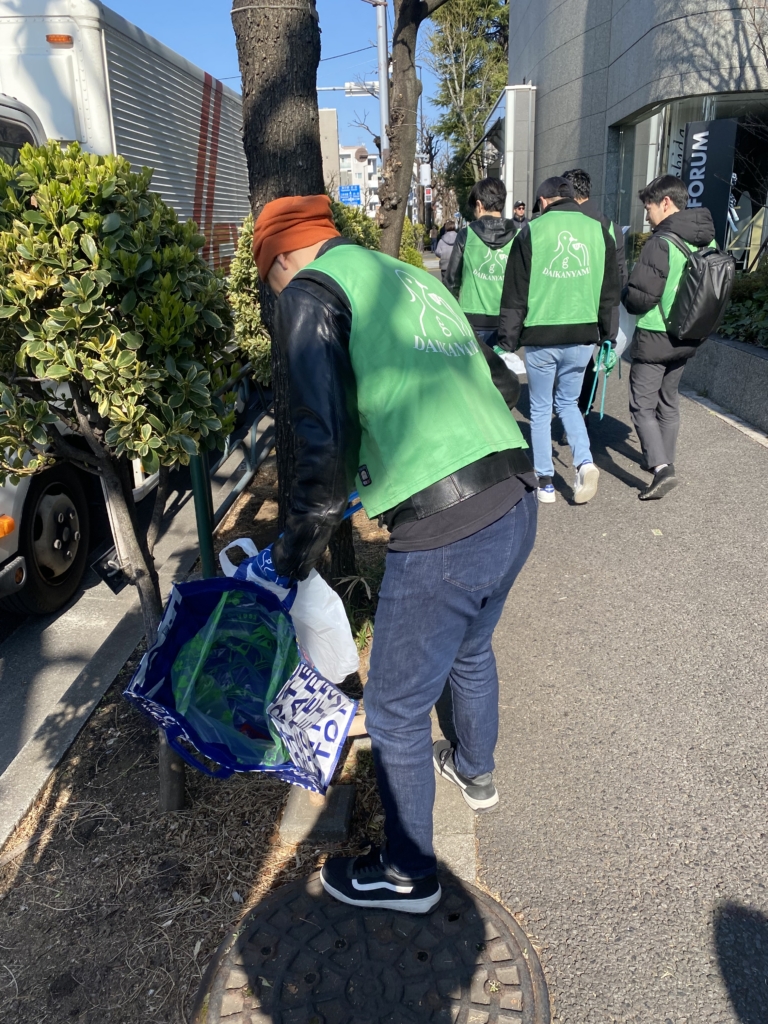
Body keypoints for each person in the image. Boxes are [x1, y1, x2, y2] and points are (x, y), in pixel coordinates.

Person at [251, 194, 538, 914]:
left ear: (280, 261)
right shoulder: (406, 276)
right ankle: (475, 771)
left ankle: (408, 874)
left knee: (395, 710)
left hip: (448, 529)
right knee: (470, 650)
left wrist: (292, 553)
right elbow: (493, 381)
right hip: (515, 492)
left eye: (268, 283)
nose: (275, 298)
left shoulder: (311, 292)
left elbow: (319, 441)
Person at [498, 176, 620, 504]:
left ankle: (546, 483)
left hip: (541, 335)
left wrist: (507, 341)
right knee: (568, 403)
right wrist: (608, 337)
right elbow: (610, 292)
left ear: (543, 201)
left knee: (540, 408)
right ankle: (584, 462)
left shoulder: (531, 231)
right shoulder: (599, 231)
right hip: (583, 335)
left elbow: (515, 293)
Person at [623, 175, 716, 499]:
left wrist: (625, 292)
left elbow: (640, 298)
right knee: (669, 400)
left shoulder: (661, 242)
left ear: (665, 203)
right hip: (689, 335)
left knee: (642, 405)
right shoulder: (707, 242)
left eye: (648, 207)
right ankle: (665, 459)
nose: (647, 215)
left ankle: (661, 469)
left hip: (655, 337)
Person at [561, 168, 628, 415]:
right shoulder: (611, 227)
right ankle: (583, 409)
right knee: (587, 360)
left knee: (562, 360)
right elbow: (620, 275)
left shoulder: (563, 224)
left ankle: (568, 408)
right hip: (598, 307)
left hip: (566, 303)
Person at [444, 178, 520, 348]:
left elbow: (452, 282)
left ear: (479, 205)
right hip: (506, 322)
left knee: (474, 365)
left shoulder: (466, 235)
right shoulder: (518, 236)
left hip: (471, 319)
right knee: (502, 366)